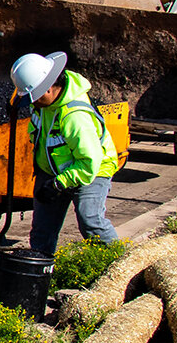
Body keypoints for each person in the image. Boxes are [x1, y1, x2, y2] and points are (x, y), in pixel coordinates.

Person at [11, 51, 122, 253]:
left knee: (90, 221)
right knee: (42, 230)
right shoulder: (44, 105)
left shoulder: (75, 117)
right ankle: (39, 275)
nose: (32, 102)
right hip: (53, 170)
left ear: (49, 90)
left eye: (33, 97)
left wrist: (58, 184)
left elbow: (89, 163)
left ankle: (120, 263)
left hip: (92, 170)